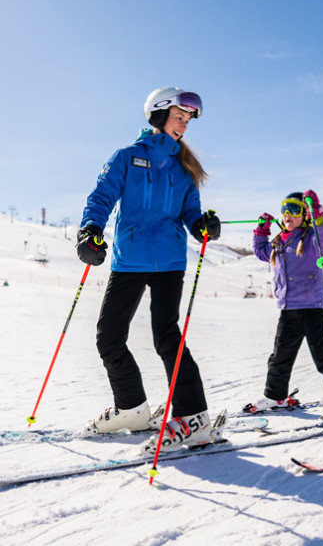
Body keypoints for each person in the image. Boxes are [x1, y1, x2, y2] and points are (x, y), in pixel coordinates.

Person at [77, 87, 221, 452]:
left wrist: (202, 225)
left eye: (188, 122)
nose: (183, 126)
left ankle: (193, 419)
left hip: (170, 260)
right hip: (130, 259)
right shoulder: (127, 157)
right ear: (158, 115)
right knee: (109, 337)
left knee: (166, 336)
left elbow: (191, 211)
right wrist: (90, 229)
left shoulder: (184, 167)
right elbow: (102, 196)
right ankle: (132, 408)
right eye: (179, 118)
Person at [244, 190, 323, 419]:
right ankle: (275, 395)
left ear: (305, 214)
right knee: (280, 354)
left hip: (311, 307)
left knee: (321, 354)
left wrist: (319, 215)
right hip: (288, 307)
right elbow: (260, 252)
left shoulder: (312, 239)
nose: (288, 214)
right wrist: (261, 230)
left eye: (295, 209)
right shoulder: (279, 241)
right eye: (284, 209)